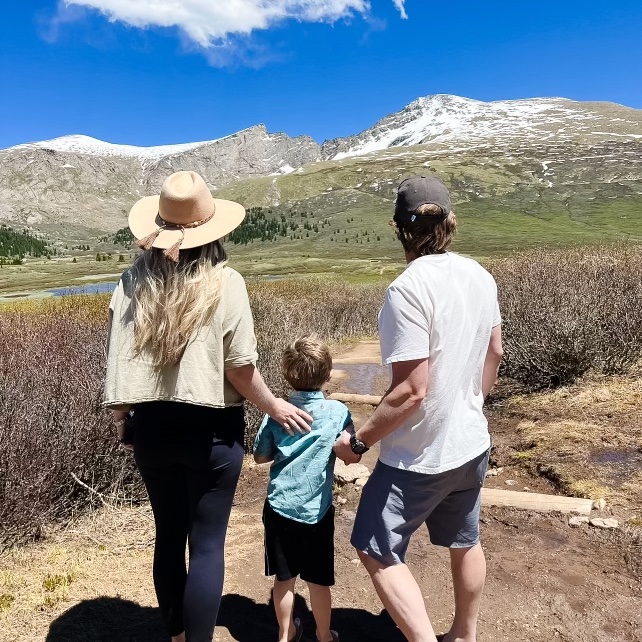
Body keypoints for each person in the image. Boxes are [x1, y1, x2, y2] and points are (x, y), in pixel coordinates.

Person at [104, 170, 312, 642]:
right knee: (207, 545)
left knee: (168, 535)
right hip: (212, 432)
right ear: (210, 229)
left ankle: (175, 634)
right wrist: (275, 406)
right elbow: (240, 370)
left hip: (151, 427)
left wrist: (123, 418)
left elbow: (119, 353)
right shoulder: (226, 282)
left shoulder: (132, 281)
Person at [334, 176, 503, 642]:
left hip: (419, 456)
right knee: (465, 540)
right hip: (472, 442)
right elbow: (494, 353)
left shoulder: (406, 289)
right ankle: (464, 635)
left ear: (398, 229)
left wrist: (359, 442)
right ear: (450, 222)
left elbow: (411, 390)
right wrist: (470, 403)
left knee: (373, 545)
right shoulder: (479, 275)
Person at [253, 336, 353, 642]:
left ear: (287, 374)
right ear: (327, 375)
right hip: (316, 512)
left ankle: (286, 635)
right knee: (319, 582)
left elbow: (259, 456)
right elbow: (350, 450)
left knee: (284, 580)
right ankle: (324, 635)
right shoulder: (337, 412)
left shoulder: (277, 411)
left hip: (280, 506)